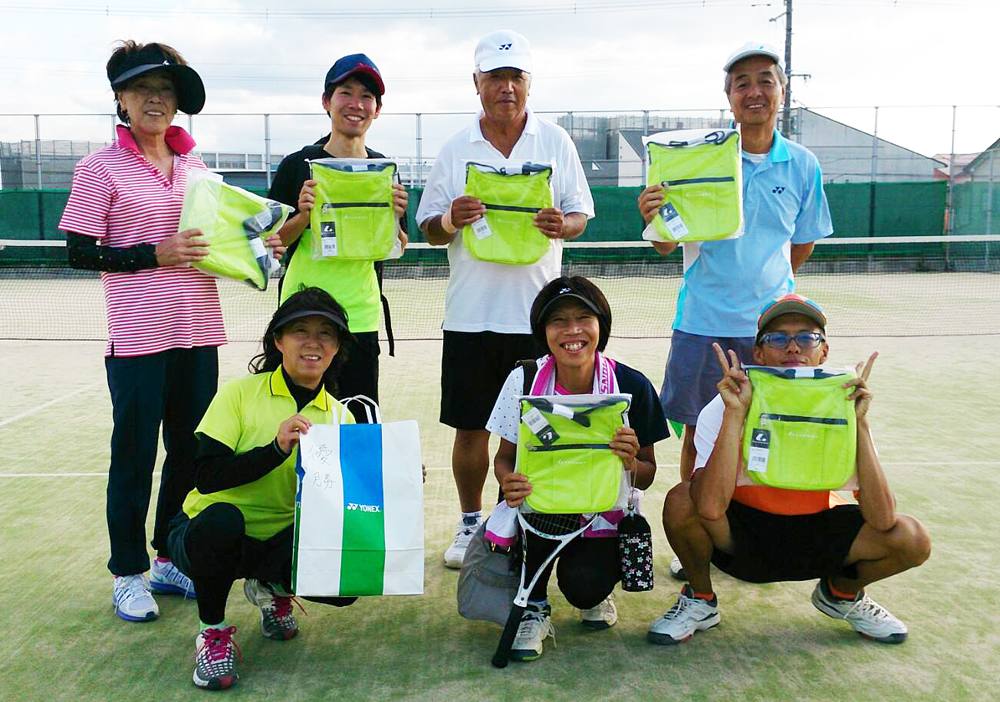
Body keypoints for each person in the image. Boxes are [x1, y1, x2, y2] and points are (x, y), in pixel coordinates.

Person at [638, 41, 834, 581]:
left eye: (765, 80)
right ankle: (694, 541)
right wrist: (652, 215)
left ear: (782, 92)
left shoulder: (803, 165)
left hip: (774, 333)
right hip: (702, 324)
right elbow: (664, 244)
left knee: (770, 431)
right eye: (742, 83)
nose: (754, 91)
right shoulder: (695, 158)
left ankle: (763, 535)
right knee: (697, 436)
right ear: (728, 97)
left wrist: (771, 297)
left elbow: (802, 241)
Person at [647, 294, 931, 647]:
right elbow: (708, 506)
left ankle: (841, 594)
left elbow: (882, 517)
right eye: (778, 338)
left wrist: (859, 424)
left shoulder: (843, 404)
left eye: (807, 337)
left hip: (817, 533)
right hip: (743, 537)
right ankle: (701, 600)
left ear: (823, 351)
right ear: (759, 353)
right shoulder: (724, 405)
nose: (793, 347)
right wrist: (736, 414)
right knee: (681, 499)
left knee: (911, 538)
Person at [416, 30, 595, 568]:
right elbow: (428, 228)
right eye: (495, 77)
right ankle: (471, 521)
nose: (506, 88)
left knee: (531, 430)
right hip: (470, 316)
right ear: (477, 83)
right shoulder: (455, 148)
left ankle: (514, 520)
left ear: (529, 83)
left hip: (538, 322)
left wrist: (563, 224)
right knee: (470, 428)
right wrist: (452, 218)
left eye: (516, 77)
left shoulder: (556, 142)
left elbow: (580, 214)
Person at [59, 40, 222, 622]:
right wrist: (153, 254)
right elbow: (78, 252)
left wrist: (259, 248)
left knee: (189, 452)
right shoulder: (99, 168)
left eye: (166, 90)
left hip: (199, 332)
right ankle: (127, 572)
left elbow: (218, 243)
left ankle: (167, 558)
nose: (156, 99)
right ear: (121, 99)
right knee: (133, 457)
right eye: (143, 89)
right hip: (137, 340)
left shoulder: (199, 170)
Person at [166, 287, 359, 690]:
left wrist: (389, 478)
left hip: (280, 539)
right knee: (222, 520)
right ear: (278, 340)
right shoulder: (239, 394)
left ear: (337, 347)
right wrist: (274, 450)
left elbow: (342, 501)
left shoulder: (341, 416)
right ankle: (212, 633)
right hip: (207, 534)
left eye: (326, 333)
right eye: (300, 331)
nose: (313, 343)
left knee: (349, 580)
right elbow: (206, 477)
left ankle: (272, 586)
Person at [485, 276, 669, 661]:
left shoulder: (631, 385)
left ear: (602, 325)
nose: (572, 331)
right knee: (528, 509)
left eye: (583, 318)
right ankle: (534, 607)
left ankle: (596, 593)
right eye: (558, 321)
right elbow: (504, 458)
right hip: (541, 511)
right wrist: (507, 481)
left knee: (585, 587)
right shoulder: (524, 380)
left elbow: (648, 472)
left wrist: (631, 461)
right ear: (543, 331)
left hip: (602, 512)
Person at [269, 53, 408, 422]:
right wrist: (302, 217)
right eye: (346, 93)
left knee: (358, 424)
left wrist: (396, 217)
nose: (356, 104)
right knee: (299, 423)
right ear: (326, 102)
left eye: (367, 96)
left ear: (377, 109)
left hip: (360, 317)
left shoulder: (384, 168)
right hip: (302, 316)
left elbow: (397, 246)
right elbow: (271, 243)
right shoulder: (298, 165)